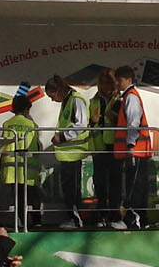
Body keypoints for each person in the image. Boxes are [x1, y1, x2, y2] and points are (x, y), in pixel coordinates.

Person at [44, 76, 91, 229]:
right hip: (68, 152)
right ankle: (73, 217)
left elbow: (81, 124)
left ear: (58, 91)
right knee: (69, 188)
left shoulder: (76, 99)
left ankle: (76, 219)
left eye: (52, 96)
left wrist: (62, 137)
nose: (52, 100)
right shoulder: (68, 100)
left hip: (74, 152)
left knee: (72, 189)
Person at [111, 65, 152, 230]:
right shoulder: (129, 96)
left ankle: (132, 220)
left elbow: (133, 122)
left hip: (136, 149)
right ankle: (141, 219)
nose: (118, 84)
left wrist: (130, 144)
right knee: (137, 185)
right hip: (137, 148)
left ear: (128, 80)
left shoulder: (131, 97)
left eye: (119, 80)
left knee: (133, 186)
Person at [1, 94, 43, 231]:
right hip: (28, 168)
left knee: (17, 197)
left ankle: (19, 220)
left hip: (12, 168)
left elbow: (3, 145)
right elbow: (36, 146)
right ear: (26, 109)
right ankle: (37, 221)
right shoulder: (31, 125)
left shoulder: (7, 124)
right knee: (33, 195)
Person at [87, 69, 119, 228]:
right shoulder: (93, 101)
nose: (105, 86)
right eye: (102, 82)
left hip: (115, 145)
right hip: (99, 145)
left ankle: (114, 215)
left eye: (108, 82)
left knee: (114, 181)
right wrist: (93, 121)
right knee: (99, 182)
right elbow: (89, 123)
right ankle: (101, 214)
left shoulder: (118, 98)